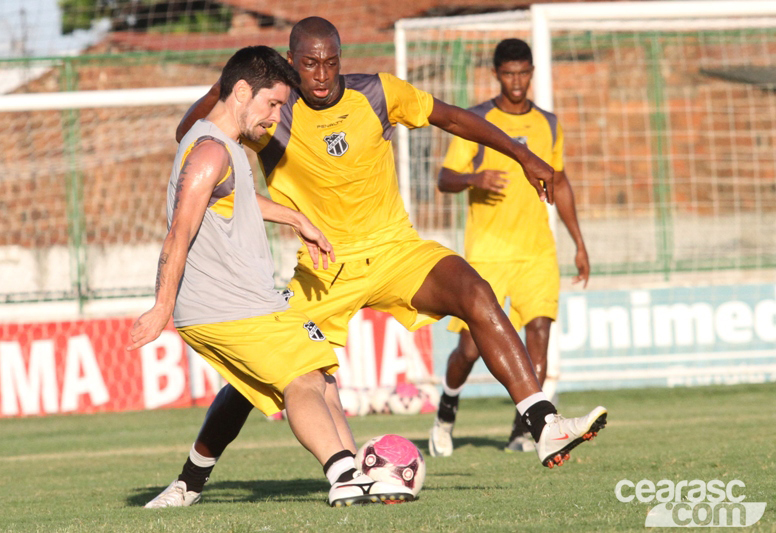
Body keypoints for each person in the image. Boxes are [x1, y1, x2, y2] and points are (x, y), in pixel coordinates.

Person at [145, 17, 608, 508]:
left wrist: (520, 153)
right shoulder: (273, 110)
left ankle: (543, 423)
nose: (321, 75)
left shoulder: (378, 93)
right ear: (290, 61)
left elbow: (450, 118)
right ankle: (189, 483)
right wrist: (231, 80)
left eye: (330, 63)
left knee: (475, 291)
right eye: (308, 64)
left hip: (395, 252)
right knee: (260, 375)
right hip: (326, 270)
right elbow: (189, 132)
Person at [128, 45, 414, 508]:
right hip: (223, 306)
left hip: (254, 300)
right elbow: (178, 232)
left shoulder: (226, 148)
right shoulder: (208, 154)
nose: (276, 116)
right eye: (273, 104)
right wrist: (162, 306)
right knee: (301, 379)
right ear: (241, 92)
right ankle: (343, 477)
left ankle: (359, 472)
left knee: (321, 375)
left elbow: (235, 201)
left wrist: (296, 219)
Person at [428, 38, 591, 458]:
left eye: (523, 73)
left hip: (537, 250)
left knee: (538, 333)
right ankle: (446, 411)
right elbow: (445, 178)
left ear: (531, 73)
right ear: (497, 74)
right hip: (487, 252)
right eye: (508, 73)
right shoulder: (478, 121)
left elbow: (561, 180)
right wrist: (474, 180)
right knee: (468, 349)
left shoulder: (549, 124)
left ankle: (526, 430)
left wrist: (579, 242)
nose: (516, 81)